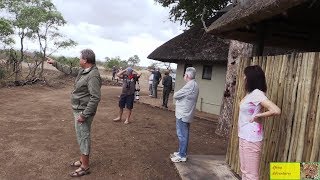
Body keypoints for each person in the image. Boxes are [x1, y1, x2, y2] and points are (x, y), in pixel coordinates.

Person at [46, 49, 101, 177]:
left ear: (85, 60)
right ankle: (82, 159)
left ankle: (85, 167)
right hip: (79, 109)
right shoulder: (84, 71)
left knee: (83, 137)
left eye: (80, 58)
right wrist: (55, 63)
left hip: (83, 111)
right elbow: (69, 70)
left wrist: (84, 114)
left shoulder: (93, 76)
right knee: (82, 135)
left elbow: (95, 97)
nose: (78, 59)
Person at [238, 65, 281, 180]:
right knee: (244, 171)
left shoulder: (257, 93)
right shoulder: (250, 94)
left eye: (245, 76)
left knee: (251, 175)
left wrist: (258, 115)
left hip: (251, 138)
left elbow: (276, 110)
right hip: (243, 136)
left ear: (251, 78)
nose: (243, 78)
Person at [170, 67, 199, 163]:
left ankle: (182, 155)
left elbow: (176, 95)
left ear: (187, 76)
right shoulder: (194, 84)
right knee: (183, 134)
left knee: (182, 134)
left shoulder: (190, 85)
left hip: (183, 114)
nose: (184, 76)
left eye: (185, 74)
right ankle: (181, 152)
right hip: (186, 113)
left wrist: (179, 98)